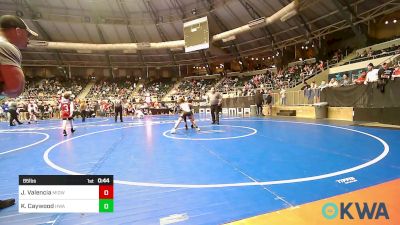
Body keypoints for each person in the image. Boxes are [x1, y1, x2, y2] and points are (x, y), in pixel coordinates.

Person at [0, 14, 38, 209]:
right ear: (17, 31)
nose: (28, 39)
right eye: (26, 34)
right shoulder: (6, 46)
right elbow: (15, 88)